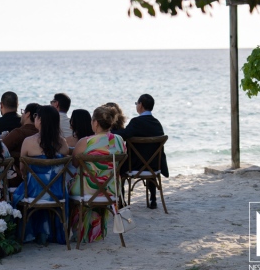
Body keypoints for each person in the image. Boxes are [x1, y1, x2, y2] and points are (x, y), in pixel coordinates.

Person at [68, 104, 126, 244]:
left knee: (69, 185)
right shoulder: (119, 140)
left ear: (95, 122)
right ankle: (96, 231)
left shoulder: (85, 142)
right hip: (111, 190)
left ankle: (79, 231)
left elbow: (75, 164)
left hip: (87, 190)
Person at [12, 105, 69, 244]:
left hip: (33, 192)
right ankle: (47, 232)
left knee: (15, 195)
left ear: (40, 120)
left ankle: (32, 233)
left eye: (36, 116)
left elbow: (22, 169)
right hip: (57, 192)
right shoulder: (62, 143)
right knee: (47, 185)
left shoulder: (28, 142)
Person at [112, 94, 169, 209]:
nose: (137, 106)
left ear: (141, 105)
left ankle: (122, 201)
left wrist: (109, 132)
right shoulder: (157, 124)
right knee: (149, 157)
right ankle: (153, 198)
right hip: (154, 165)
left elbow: (124, 135)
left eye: (137, 104)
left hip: (135, 166)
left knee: (119, 167)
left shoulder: (136, 122)